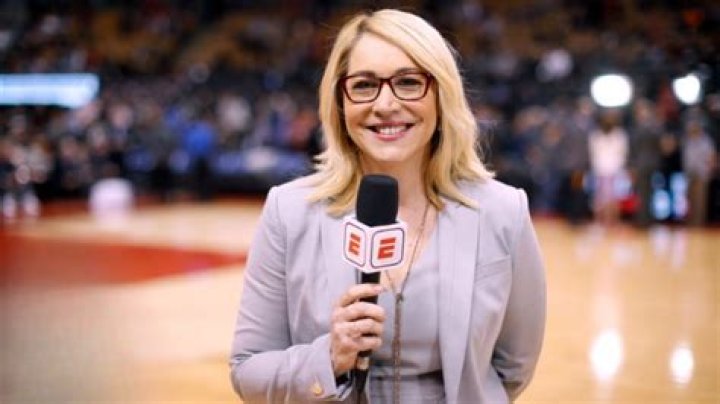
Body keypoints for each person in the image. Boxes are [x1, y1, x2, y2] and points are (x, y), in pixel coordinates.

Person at [229, 9, 546, 404]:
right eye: (364, 85)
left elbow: (513, 367)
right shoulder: (289, 211)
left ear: (442, 95)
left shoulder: (503, 211)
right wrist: (328, 359)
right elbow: (248, 369)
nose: (385, 104)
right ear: (340, 102)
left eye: (408, 82)